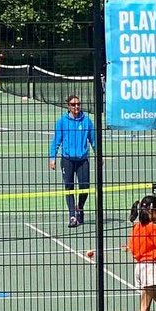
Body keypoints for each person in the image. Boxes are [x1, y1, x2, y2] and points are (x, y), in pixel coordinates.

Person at [48, 93, 97, 228]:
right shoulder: (62, 121)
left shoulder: (87, 121)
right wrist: (52, 158)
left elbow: (93, 140)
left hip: (82, 160)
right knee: (69, 187)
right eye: (73, 104)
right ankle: (72, 216)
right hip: (67, 160)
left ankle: (79, 208)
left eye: (78, 104)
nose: (76, 107)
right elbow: (56, 141)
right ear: (68, 106)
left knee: (84, 187)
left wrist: (99, 155)